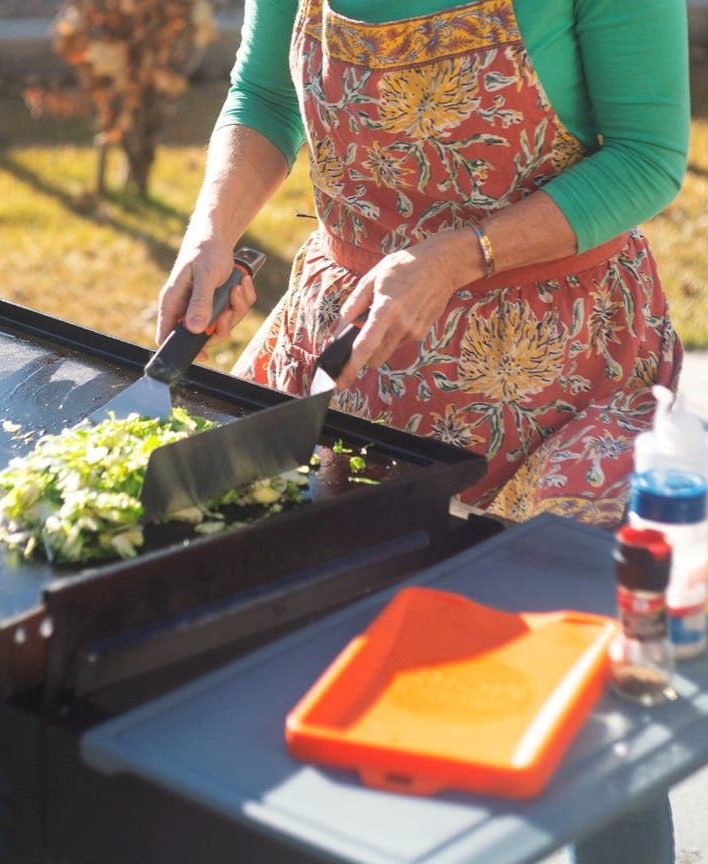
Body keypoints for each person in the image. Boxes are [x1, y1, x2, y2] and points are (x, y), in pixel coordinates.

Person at [157, 2, 689, 857]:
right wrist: (211, 232)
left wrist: (459, 254)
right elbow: (262, 95)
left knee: (586, 711)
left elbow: (649, 157)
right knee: (316, 686)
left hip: (563, 373)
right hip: (349, 366)